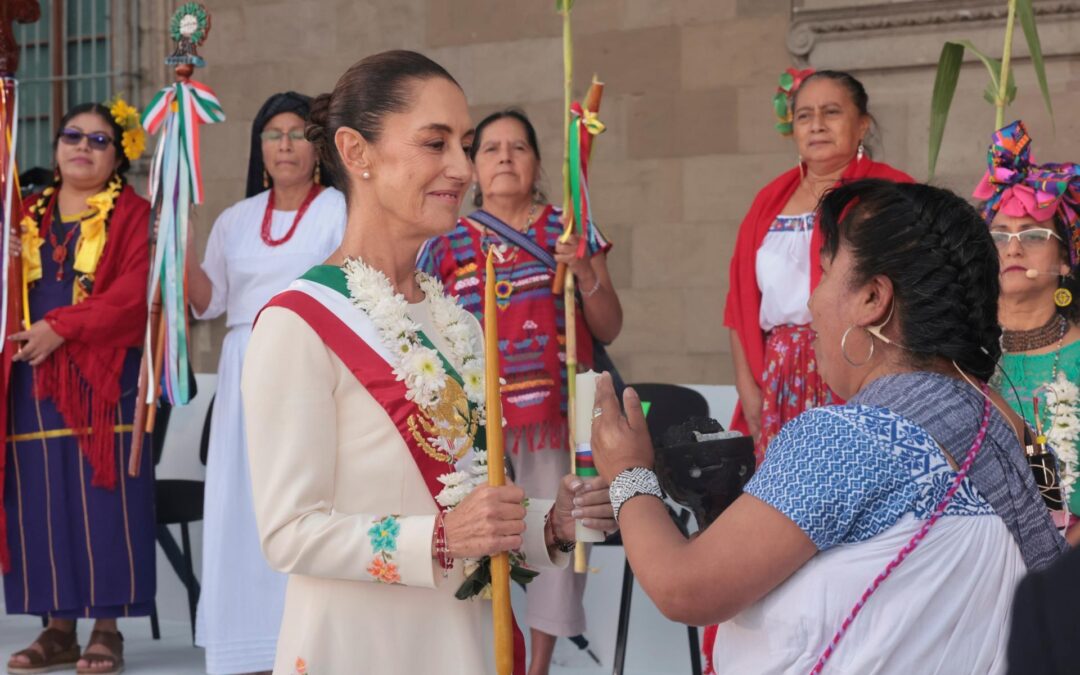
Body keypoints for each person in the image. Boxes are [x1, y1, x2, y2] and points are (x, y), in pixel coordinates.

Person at [594, 179, 1066, 673]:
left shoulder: (847, 439)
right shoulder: (1016, 434)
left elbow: (683, 589)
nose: (811, 302)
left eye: (822, 273)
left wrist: (627, 472)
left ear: (872, 298)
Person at [241, 50, 615, 674]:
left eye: (464, 145)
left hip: (464, 642)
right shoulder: (296, 323)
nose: (464, 169)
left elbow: (467, 503)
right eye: (435, 143)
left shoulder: (460, 322)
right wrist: (439, 541)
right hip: (360, 647)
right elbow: (290, 532)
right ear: (356, 153)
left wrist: (547, 524)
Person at [417, 107, 622, 674]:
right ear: (474, 167)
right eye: (490, 148)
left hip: (552, 416)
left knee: (560, 531)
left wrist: (582, 272)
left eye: (519, 147)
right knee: (482, 542)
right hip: (471, 427)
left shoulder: (569, 229)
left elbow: (609, 327)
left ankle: (538, 669)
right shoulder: (444, 240)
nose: (505, 156)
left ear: (536, 162)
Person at [187, 91, 347, 675]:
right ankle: (245, 648)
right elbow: (208, 302)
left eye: (298, 133)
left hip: (311, 362)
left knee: (302, 495)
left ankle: (305, 644)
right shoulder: (234, 219)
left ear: (319, 146)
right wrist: (180, 231)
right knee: (242, 504)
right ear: (259, 147)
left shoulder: (339, 208)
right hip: (243, 365)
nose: (285, 144)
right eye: (273, 133)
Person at [3, 100, 154, 674]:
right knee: (39, 501)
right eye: (72, 136)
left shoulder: (133, 214)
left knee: (103, 500)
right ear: (55, 146)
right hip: (30, 376)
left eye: (98, 140)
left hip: (103, 379)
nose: (82, 148)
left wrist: (59, 328)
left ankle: (106, 631)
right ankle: (55, 628)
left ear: (117, 158)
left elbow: (135, 292)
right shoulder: (23, 213)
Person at [725, 69, 913, 460]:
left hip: (859, 365)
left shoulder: (892, 192)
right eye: (805, 115)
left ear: (862, 124)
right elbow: (739, 303)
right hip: (778, 375)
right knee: (783, 503)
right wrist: (748, 386)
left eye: (831, 112)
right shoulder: (768, 201)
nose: (817, 125)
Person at [973, 120, 1080, 540]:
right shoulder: (960, 355)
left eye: (1033, 235)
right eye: (999, 236)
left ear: (1065, 260)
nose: (1013, 248)